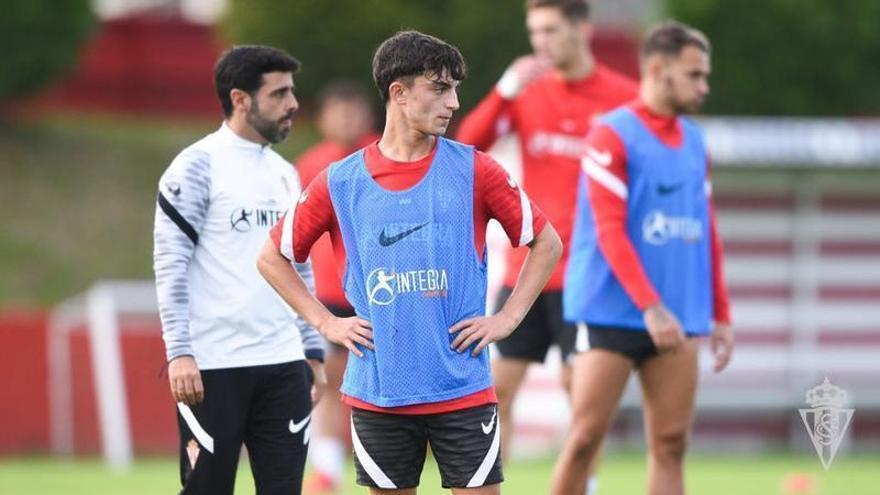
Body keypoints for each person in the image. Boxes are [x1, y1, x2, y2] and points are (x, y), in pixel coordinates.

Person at [258, 31, 562, 494]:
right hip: (379, 395)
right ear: (398, 93)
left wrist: (508, 317)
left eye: (456, 89)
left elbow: (546, 242)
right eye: (440, 89)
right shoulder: (340, 181)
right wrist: (325, 322)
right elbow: (271, 258)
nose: (454, 103)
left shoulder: (475, 169)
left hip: (463, 391)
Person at [549, 21, 734, 495]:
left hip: (679, 316)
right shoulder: (610, 135)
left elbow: (705, 226)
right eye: (694, 74)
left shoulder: (694, 140)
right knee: (585, 439)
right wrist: (649, 305)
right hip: (612, 310)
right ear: (658, 69)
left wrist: (720, 313)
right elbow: (609, 231)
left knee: (671, 443)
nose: (703, 86)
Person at [456, 0, 637, 471]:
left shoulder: (624, 97)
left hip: (590, 276)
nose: (541, 42)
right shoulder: (526, 93)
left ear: (583, 29)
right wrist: (504, 91)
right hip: (528, 272)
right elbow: (468, 147)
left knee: (583, 404)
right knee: (493, 397)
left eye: (551, 30)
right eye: (534, 32)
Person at [153, 45, 326, 495]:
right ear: (241, 99)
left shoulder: (286, 174)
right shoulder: (195, 167)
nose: (293, 104)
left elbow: (298, 264)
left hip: (284, 365)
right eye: (280, 93)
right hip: (212, 367)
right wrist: (180, 352)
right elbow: (170, 266)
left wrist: (312, 349)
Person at [296, 81, 379, 494]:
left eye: (353, 110)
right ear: (322, 118)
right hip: (328, 295)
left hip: (381, 293)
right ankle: (327, 471)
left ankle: (380, 463)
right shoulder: (310, 166)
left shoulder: (384, 156)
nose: (346, 119)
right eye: (337, 111)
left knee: (378, 382)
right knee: (328, 379)